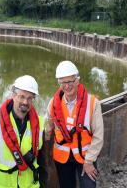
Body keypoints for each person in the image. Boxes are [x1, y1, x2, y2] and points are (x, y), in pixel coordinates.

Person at [45, 60, 104, 188]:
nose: (67, 86)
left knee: (88, 186)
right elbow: (47, 129)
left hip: (86, 157)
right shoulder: (53, 104)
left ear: (77, 81)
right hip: (62, 158)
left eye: (70, 81)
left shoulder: (93, 103)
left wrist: (89, 162)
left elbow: (98, 136)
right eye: (63, 82)